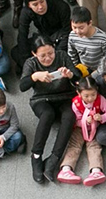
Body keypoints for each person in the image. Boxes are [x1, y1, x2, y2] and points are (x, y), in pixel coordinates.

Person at [18, 33, 75, 181]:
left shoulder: (62, 56)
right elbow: (22, 86)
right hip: (41, 99)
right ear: (34, 54)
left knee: (70, 115)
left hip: (65, 96)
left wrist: (70, 75)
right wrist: (34, 77)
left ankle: (54, 158)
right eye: (43, 56)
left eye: (50, 53)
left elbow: (79, 77)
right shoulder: (31, 63)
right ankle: (36, 155)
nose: (48, 58)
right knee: (47, 115)